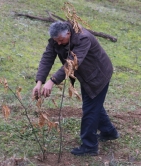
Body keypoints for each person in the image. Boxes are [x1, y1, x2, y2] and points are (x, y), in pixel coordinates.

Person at [32, 21, 119, 156]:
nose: (59, 43)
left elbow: (71, 63)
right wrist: (39, 82)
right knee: (93, 105)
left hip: (99, 74)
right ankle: (109, 132)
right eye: (56, 41)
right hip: (86, 74)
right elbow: (47, 58)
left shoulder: (83, 38)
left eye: (61, 40)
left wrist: (52, 81)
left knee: (90, 109)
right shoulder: (57, 39)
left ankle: (90, 146)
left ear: (68, 33)